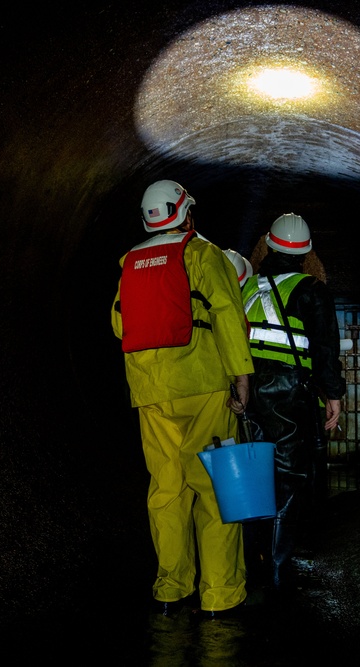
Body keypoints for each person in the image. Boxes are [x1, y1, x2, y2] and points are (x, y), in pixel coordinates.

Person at [111, 179, 254, 618]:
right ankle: (220, 594)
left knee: (167, 491)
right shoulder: (203, 255)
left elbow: (119, 325)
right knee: (214, 492)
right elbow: (228, 314)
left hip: (151, 394)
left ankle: (171, 589)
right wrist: (242, 378)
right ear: (186, 213)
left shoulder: (130, 262)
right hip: (204, 387)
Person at [241, 212, 345, 595]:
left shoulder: (247, 287)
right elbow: (324, 349)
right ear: (305, 254)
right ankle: (278, 572)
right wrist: (333, 395)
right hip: (286, 392)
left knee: (252, 476)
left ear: (268, 244)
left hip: (246, 389)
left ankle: (251, 563)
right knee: (288, 479)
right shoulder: (311, 291)